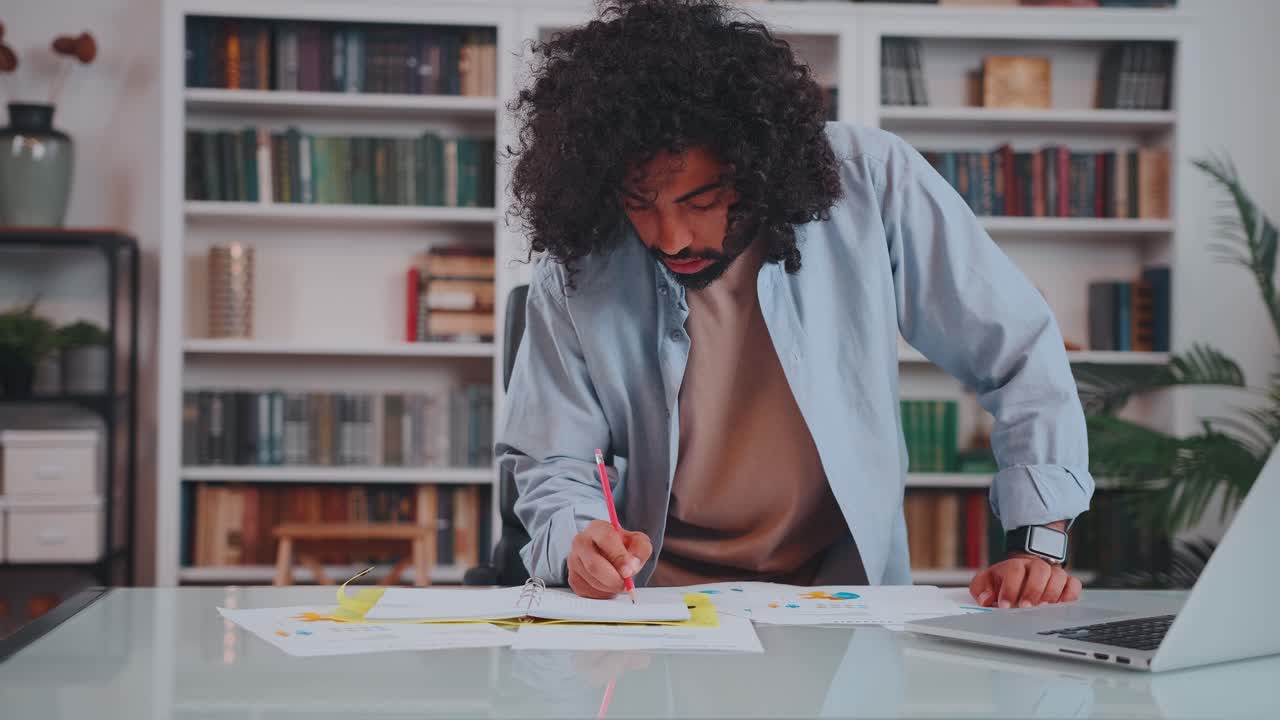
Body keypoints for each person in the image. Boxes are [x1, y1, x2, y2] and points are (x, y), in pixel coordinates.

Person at [497, 0, 1094, 609]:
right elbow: (554, 458)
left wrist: (1037, 543)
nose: (670, 237)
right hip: (654, 603)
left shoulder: (873, 183)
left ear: (755, 166)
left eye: (701, 201)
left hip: (839, 599)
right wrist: (580, 538)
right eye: (640, 203)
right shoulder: (576, 266)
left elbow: (1017, 352)